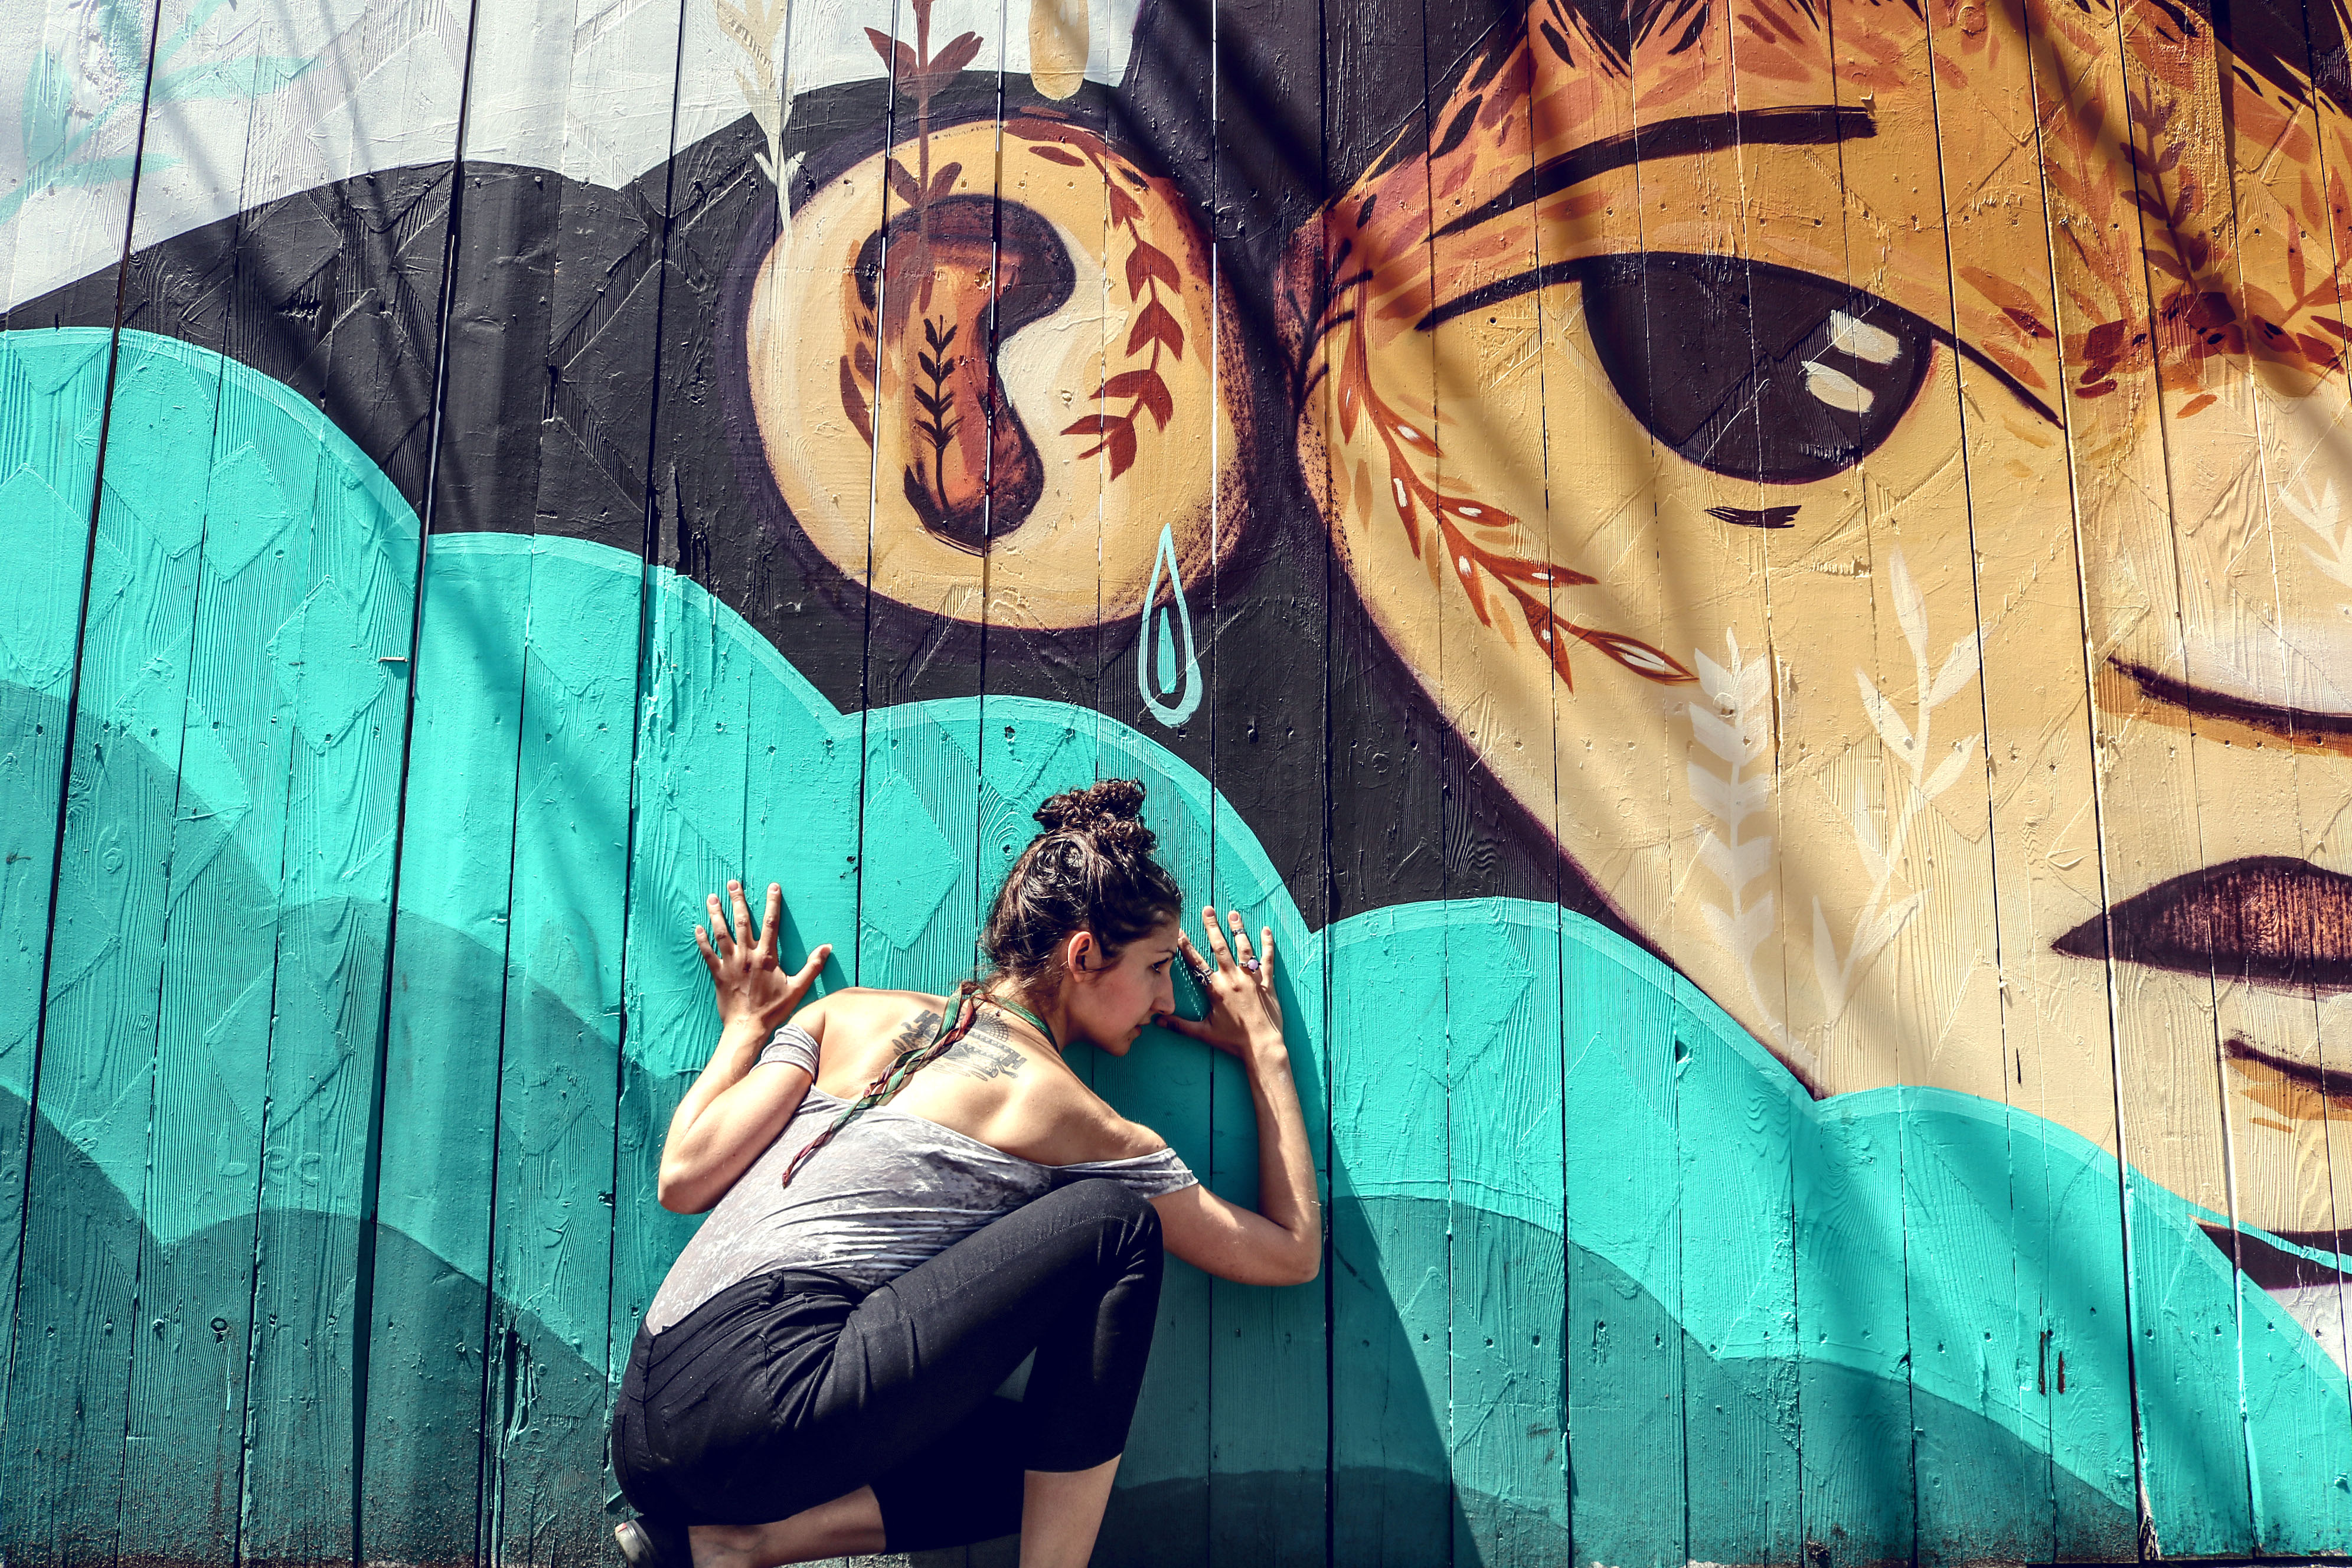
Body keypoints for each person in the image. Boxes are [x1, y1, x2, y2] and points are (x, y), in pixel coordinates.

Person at [607, 779, 1319, 1568]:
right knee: (1116, 1226)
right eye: (1156, 967)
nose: (1165, 997)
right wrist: (1266, 1049)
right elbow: (1290, 1253)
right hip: (766, 1402)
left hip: (644, 1427)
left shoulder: (847, 1013)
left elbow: (683, 1176)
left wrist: (745, 1028)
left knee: (1038, 1460)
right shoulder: (1064, 1110)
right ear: (1084, 955)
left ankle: (730, 1547)